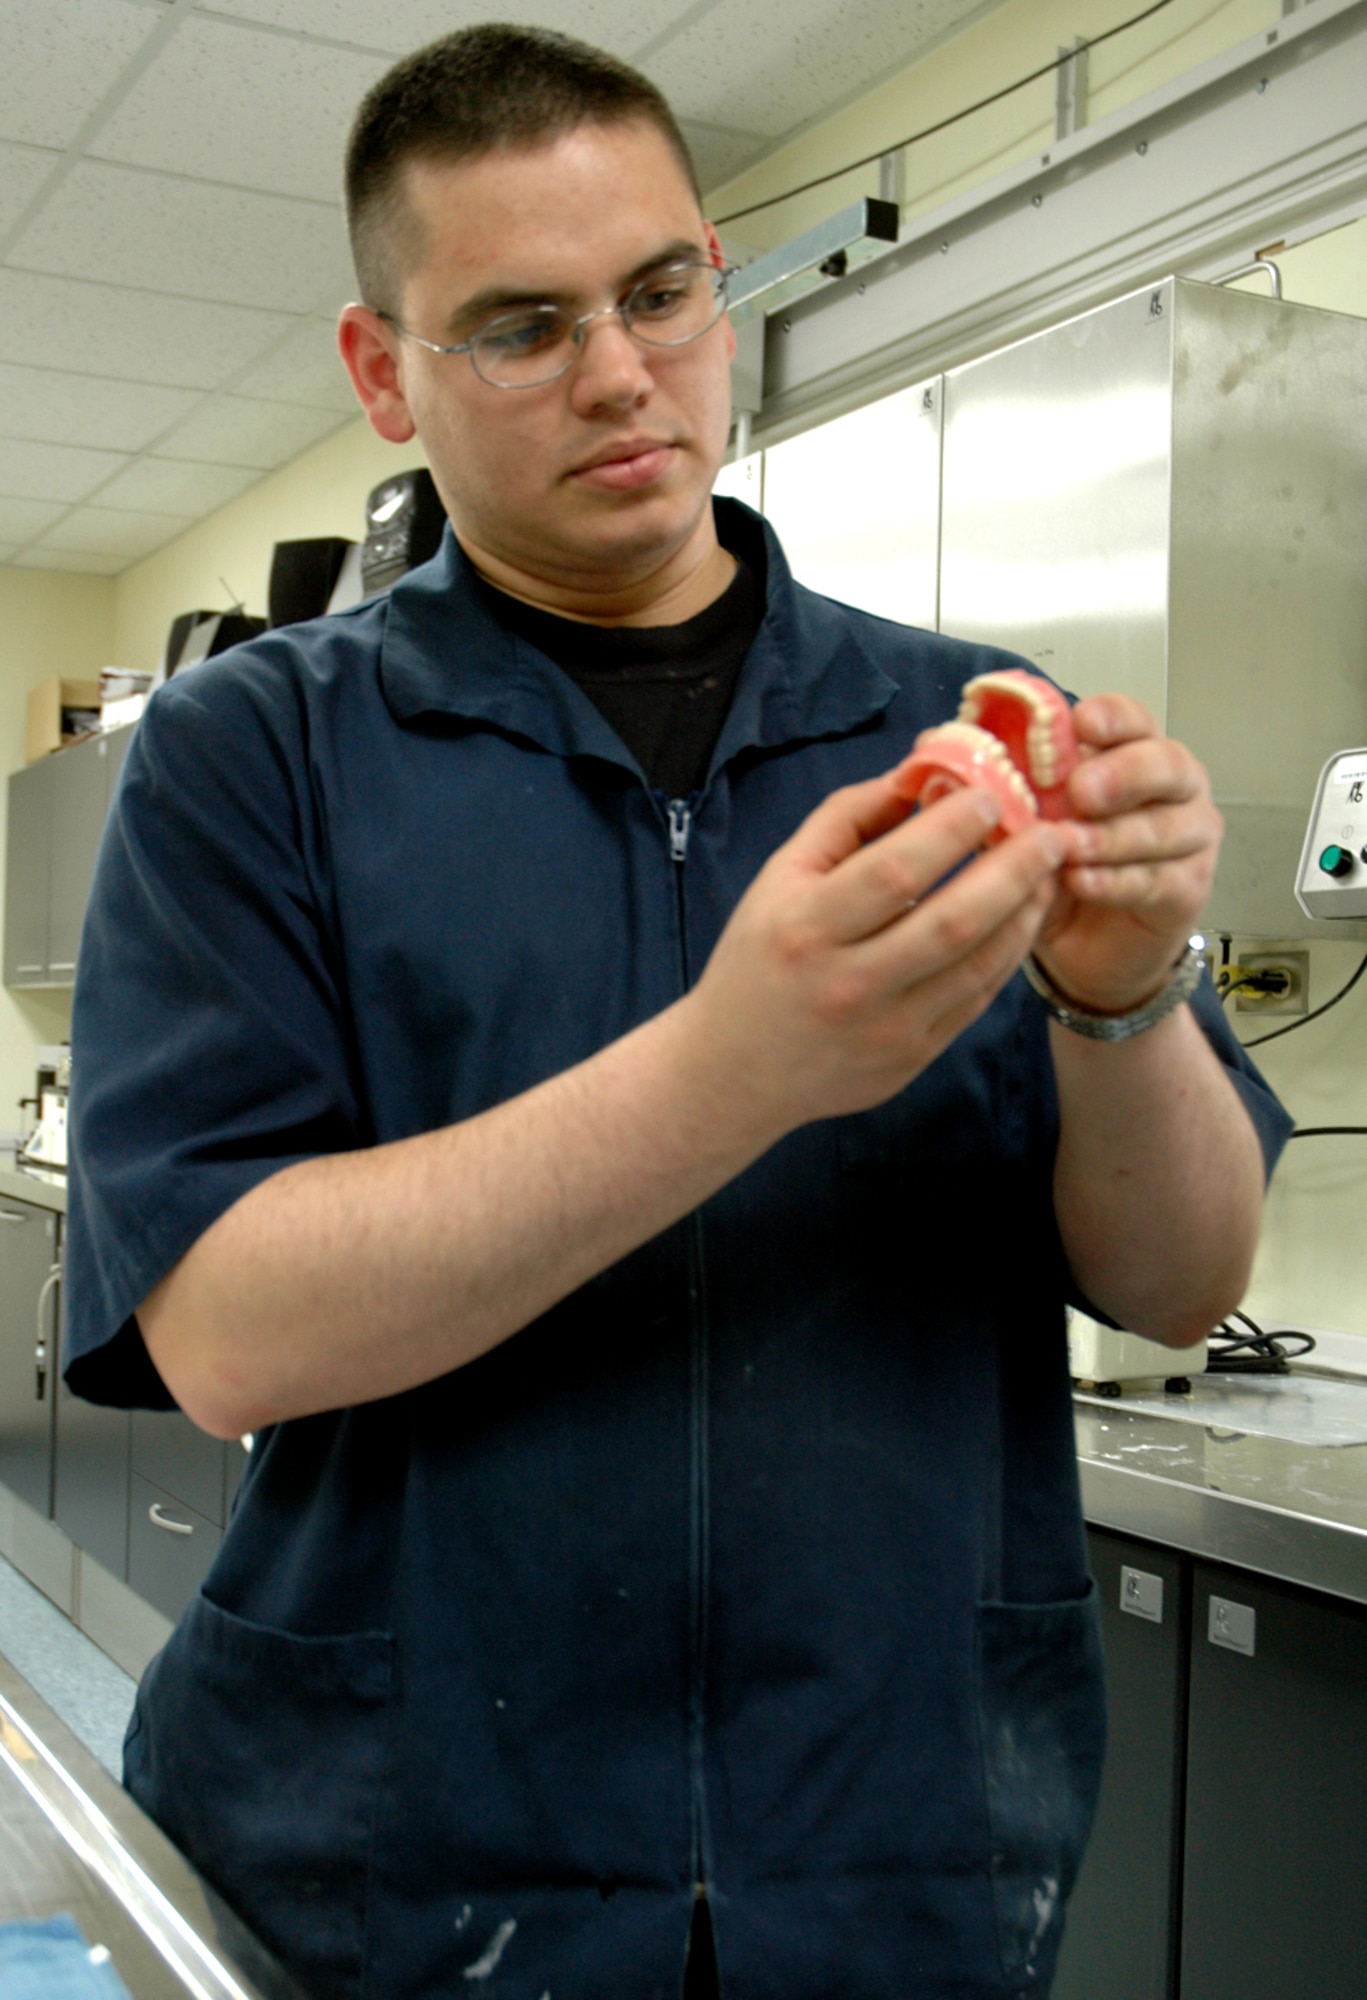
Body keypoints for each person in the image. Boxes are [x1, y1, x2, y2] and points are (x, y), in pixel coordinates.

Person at [65, 24, 1289, 2000]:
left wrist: (1126, 989)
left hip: (893, 1846)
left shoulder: (960, 724)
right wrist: (733, 1069)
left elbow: (1176, 1279)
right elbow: (224, 1333)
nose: (623, 373)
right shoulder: (254, 755)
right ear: (386, 371)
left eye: (660, 293)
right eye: (522, 325)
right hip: (404, 1859)